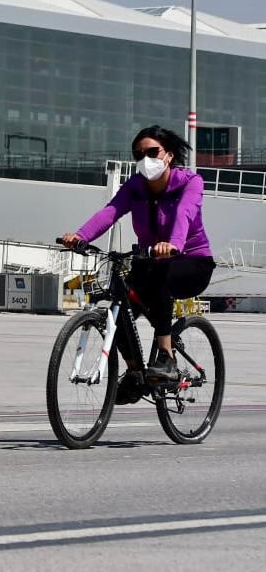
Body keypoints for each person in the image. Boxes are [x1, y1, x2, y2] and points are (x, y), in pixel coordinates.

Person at [62, 125, 215, 393]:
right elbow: (110, 211)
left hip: (192, 261)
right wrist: (80, 236)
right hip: (151, 260)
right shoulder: (134, 188)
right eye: (138, 154)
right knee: (117, 313)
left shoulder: (190, 182)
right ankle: (136, 375)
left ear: (168, 155)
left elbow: (185, 213)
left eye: (152, 152)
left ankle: (166, 356)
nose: (145, 159)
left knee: (161, 280)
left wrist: (174, 244)